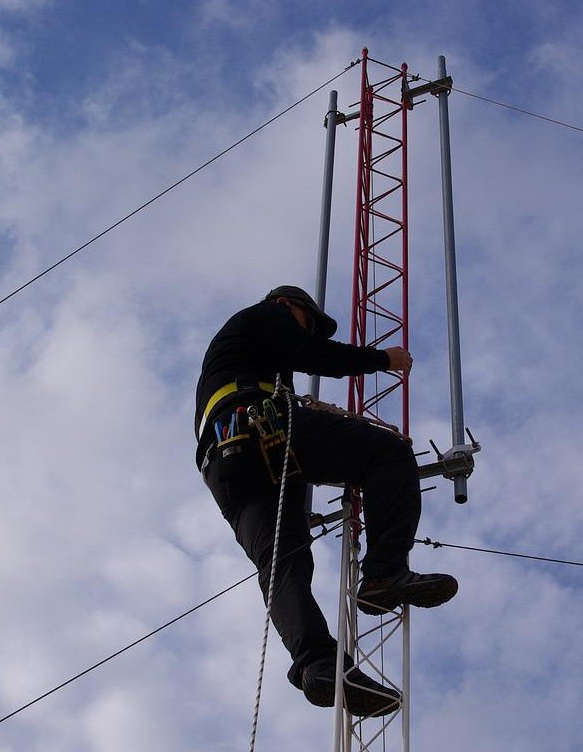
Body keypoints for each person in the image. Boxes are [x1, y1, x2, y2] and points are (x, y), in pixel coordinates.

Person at [195, 284, 458, 717]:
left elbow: (298, 353)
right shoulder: (264, 316)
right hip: (262, 427)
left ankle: (319, 665)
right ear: (287, 306)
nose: (311, 331)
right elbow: (308, 351)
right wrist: (381, 361)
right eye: (309, 321)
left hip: (223, 463)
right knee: (388, 454)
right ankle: (383, 575)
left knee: (281, 562)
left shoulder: (240, 355)